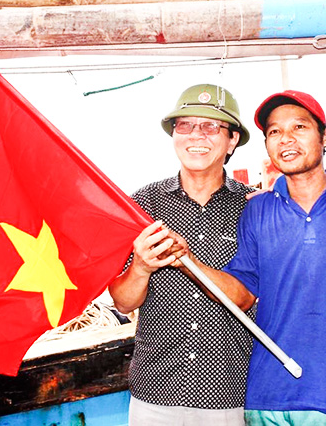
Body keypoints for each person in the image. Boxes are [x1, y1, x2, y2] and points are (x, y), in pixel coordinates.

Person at [172, 90, 326, 425]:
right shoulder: (256, 209)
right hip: (267, 400)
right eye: (274, 132)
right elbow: (243, 294)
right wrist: (187, 261)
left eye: (299, 127)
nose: (286, 139)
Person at [109, 84, 255, 425]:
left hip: (229, 395)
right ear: (174, 135)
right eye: (184, 125)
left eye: (210, 126)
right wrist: (142, 267)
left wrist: (189, 262)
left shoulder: (255, 208)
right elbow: (124, 302)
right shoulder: (141, 206)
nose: (195, 135)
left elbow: (245, 298)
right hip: (154, 394)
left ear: (232, 140)